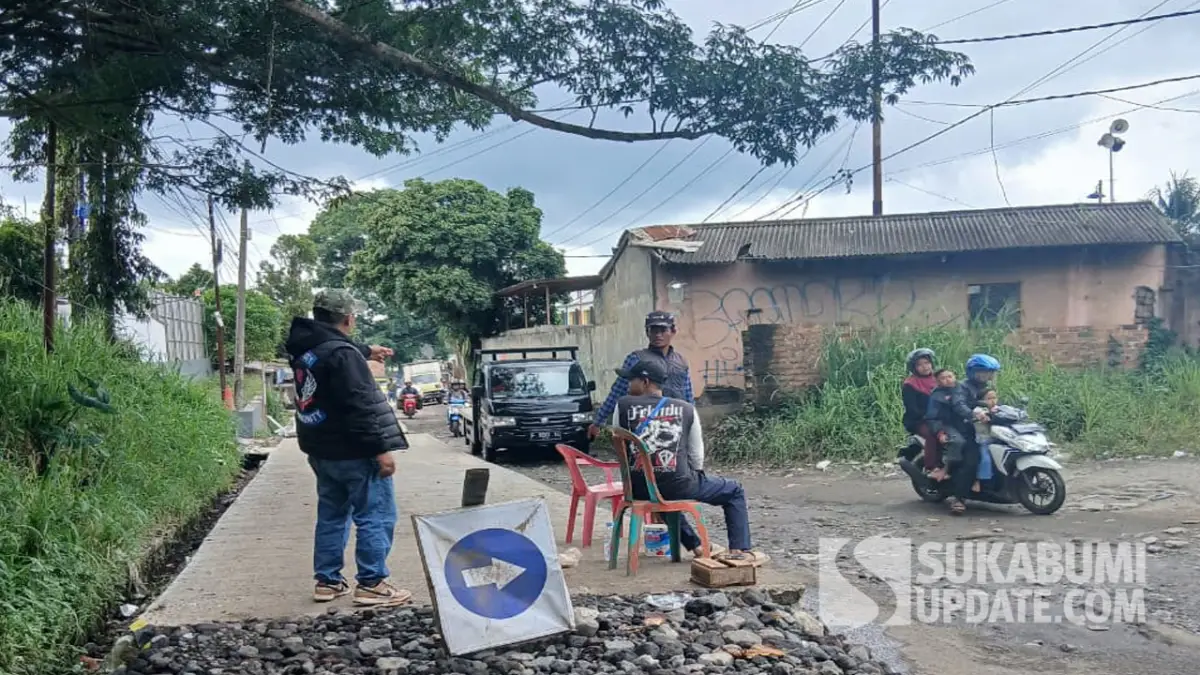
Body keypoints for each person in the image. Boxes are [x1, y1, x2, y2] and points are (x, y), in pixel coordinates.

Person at [285, 289, 412, 606]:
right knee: (376, 515)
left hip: (321, 450)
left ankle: (327, 581)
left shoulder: (306, 349)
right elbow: (360, 406)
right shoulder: (344, 355)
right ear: (348, 318)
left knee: (332, 515)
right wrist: (380, 450)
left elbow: (333, 351)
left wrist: (366, 350)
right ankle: (372, 583)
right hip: (355, 451)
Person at [611, 358, 765, 564]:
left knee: (659, 492)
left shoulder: (622, 405)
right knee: (733, 491)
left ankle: (696, 545)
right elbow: (697, 456)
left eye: (632, 380)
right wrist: (692, 475)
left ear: (645, 382)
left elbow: (618, 444)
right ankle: (739, 551)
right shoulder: (686, 408)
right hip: (678, 485)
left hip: (637, 488)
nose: (628, 385)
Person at [590, 311, 693, 440]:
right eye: (653, 330)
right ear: (647, 332)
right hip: (644, 427)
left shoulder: (681, 362)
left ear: (673, 331)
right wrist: (598, 421)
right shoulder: (636, 359)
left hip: (676, 426)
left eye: (663, 330)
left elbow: (688, 397)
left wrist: (692, 425)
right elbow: (617, 392)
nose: (658, 335)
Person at [900, 348, 938, 469]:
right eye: (919, 365)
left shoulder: (939, 379)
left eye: (927, 363)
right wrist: (931, 417)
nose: (925, 367)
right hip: (919, 420)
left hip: (941, 417)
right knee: (934, 434)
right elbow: (912, 409)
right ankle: (931, 467)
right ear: (913, 368)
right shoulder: (910, 384)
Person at [972, 387, 999, 493]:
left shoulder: (998, 408)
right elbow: (984, 417)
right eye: (989, 398)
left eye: (994, 397)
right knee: (985, 458)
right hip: (983, 440)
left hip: (996, 439)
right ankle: (977, 480)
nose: (993, 401)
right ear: (981, 400)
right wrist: (987, 416)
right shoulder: (978, 410)